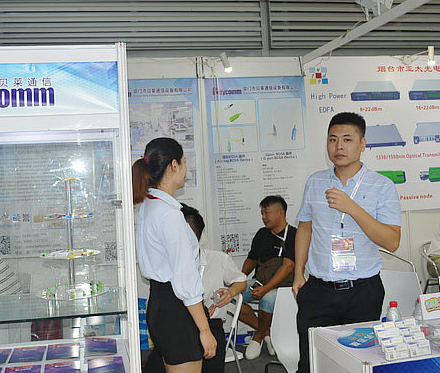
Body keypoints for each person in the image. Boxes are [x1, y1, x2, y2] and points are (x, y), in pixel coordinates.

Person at [293, 112, 401, 373]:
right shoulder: (315, 182)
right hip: (317, 290)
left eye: (347, 139)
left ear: (362, 144)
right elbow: (305, 228)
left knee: (358, 363)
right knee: (311, 363)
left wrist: (352, 208)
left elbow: (392, 242)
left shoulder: (382, 186)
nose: (339, 146)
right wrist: (298, 273)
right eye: (333, 139)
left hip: (362, 291)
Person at [134, 138, 216, 373]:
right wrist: (204, 329)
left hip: (160, 304)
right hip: (177, 310)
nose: (186, 169)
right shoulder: (168, 215)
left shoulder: (150, 206)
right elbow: (185, 279)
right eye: (184, 162)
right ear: (173, 165)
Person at [145, 204, 247, 373]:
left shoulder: (217, 259)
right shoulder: (166, 265)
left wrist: (231, 292)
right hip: (178, 325)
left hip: (211, 326)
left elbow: (241, 280)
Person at [238, 195, 296, 360]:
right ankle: (266, 332)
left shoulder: (294, 234)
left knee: (268, 299)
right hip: (260, 281)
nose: (264, 217)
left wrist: (266, 289)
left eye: (267, 213)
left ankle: (257, 337)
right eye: (262, 213)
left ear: (281, 213)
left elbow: (288, 267)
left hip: (284, 287)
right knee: (232, 298)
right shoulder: (262, 234)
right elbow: (251, 260)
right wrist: (239, 281)